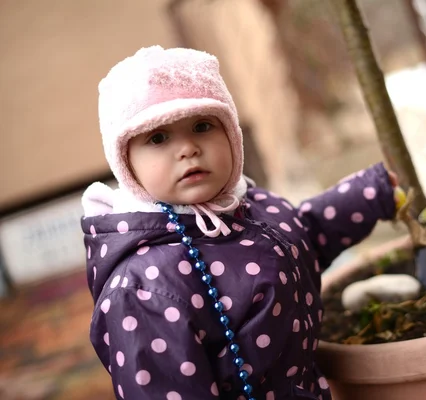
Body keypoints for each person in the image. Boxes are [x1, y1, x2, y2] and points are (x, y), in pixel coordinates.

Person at [81, 45, 402, 400]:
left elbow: (302, 238)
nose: (187, 148)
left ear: (232, 134)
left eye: (202, 126)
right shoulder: (143, 288)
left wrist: (369, 195)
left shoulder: (248, 205)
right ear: (125, 163)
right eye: (158, 137)